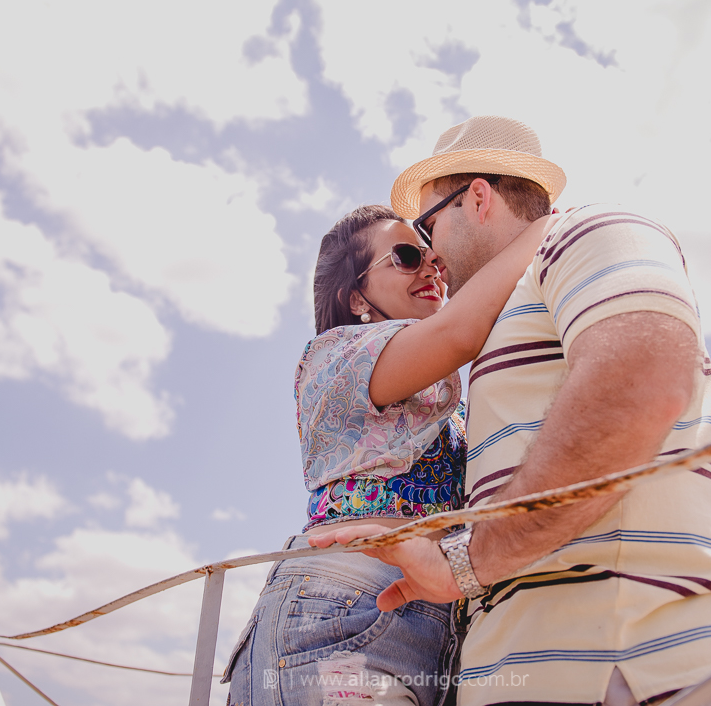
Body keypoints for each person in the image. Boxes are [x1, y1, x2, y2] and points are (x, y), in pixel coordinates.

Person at [314, 116, 711, 706]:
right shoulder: (503, 316)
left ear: (477, 197)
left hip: (624, 662)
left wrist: (469, 560)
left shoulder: (586, 231)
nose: (431, 257)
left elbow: (640, 383)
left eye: (429, 229)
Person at [223, 203, 555, 706]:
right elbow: (461, 332)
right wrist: (550, 227)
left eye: (432, 255)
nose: (432, 267)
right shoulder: (332, 357)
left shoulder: (451, 412)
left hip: (437, 619)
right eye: (406, 255)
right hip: (342, 607)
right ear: (356, 295)